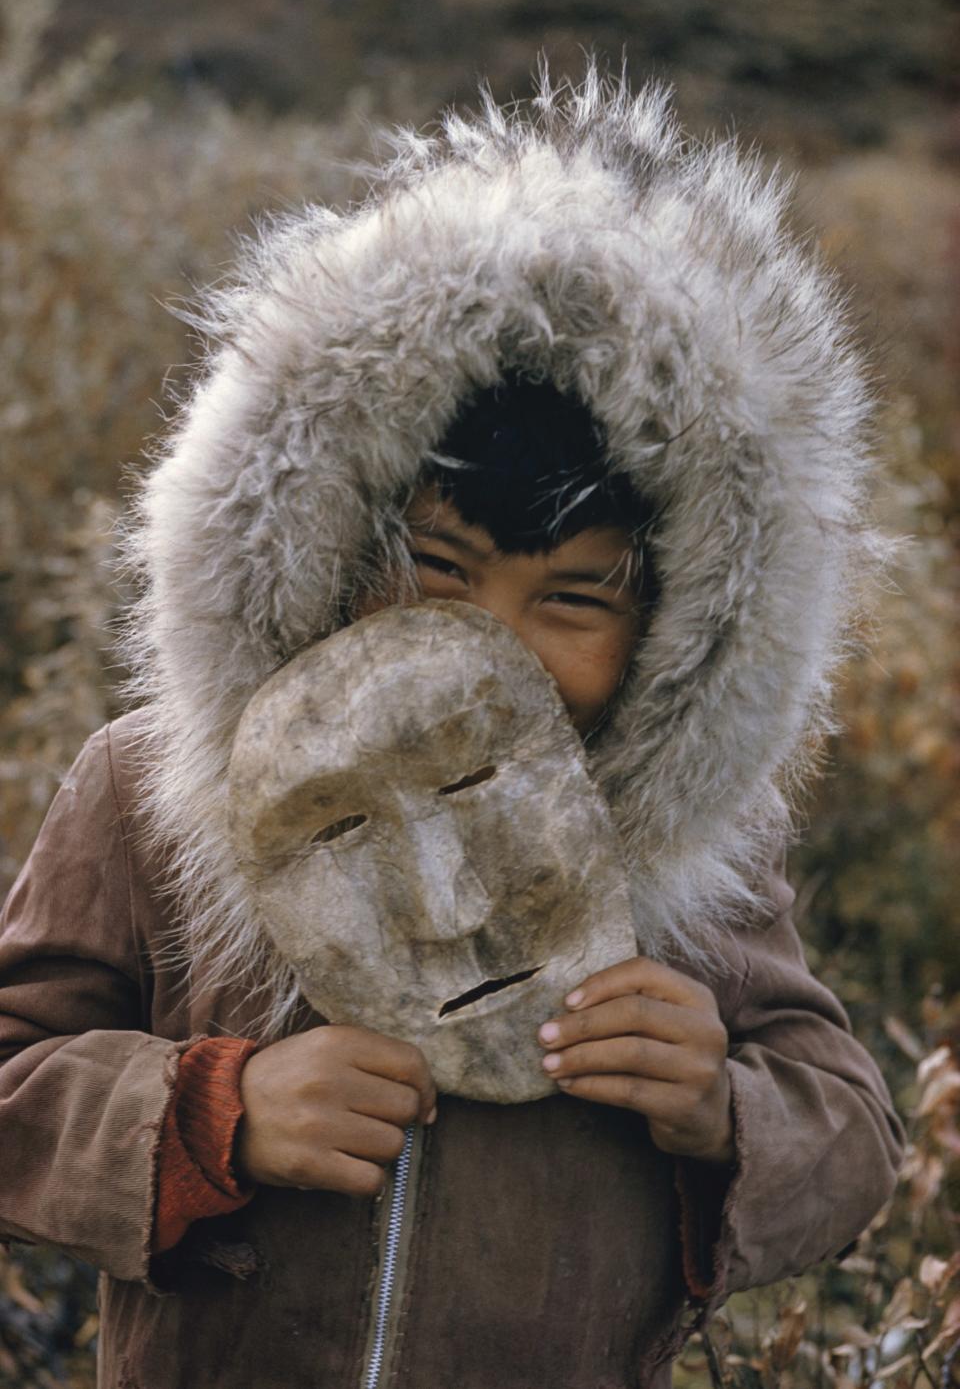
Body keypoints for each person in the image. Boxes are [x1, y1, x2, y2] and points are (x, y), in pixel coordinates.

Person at [0, 68, 903, 1388]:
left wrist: (725, 1108)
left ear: (672, 622)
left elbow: (852, 1129)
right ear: (332, 545)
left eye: (572, 599)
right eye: (438, 569)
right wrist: (212, 1113)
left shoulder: (691, 846)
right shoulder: (149, 788)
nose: (491, 649)